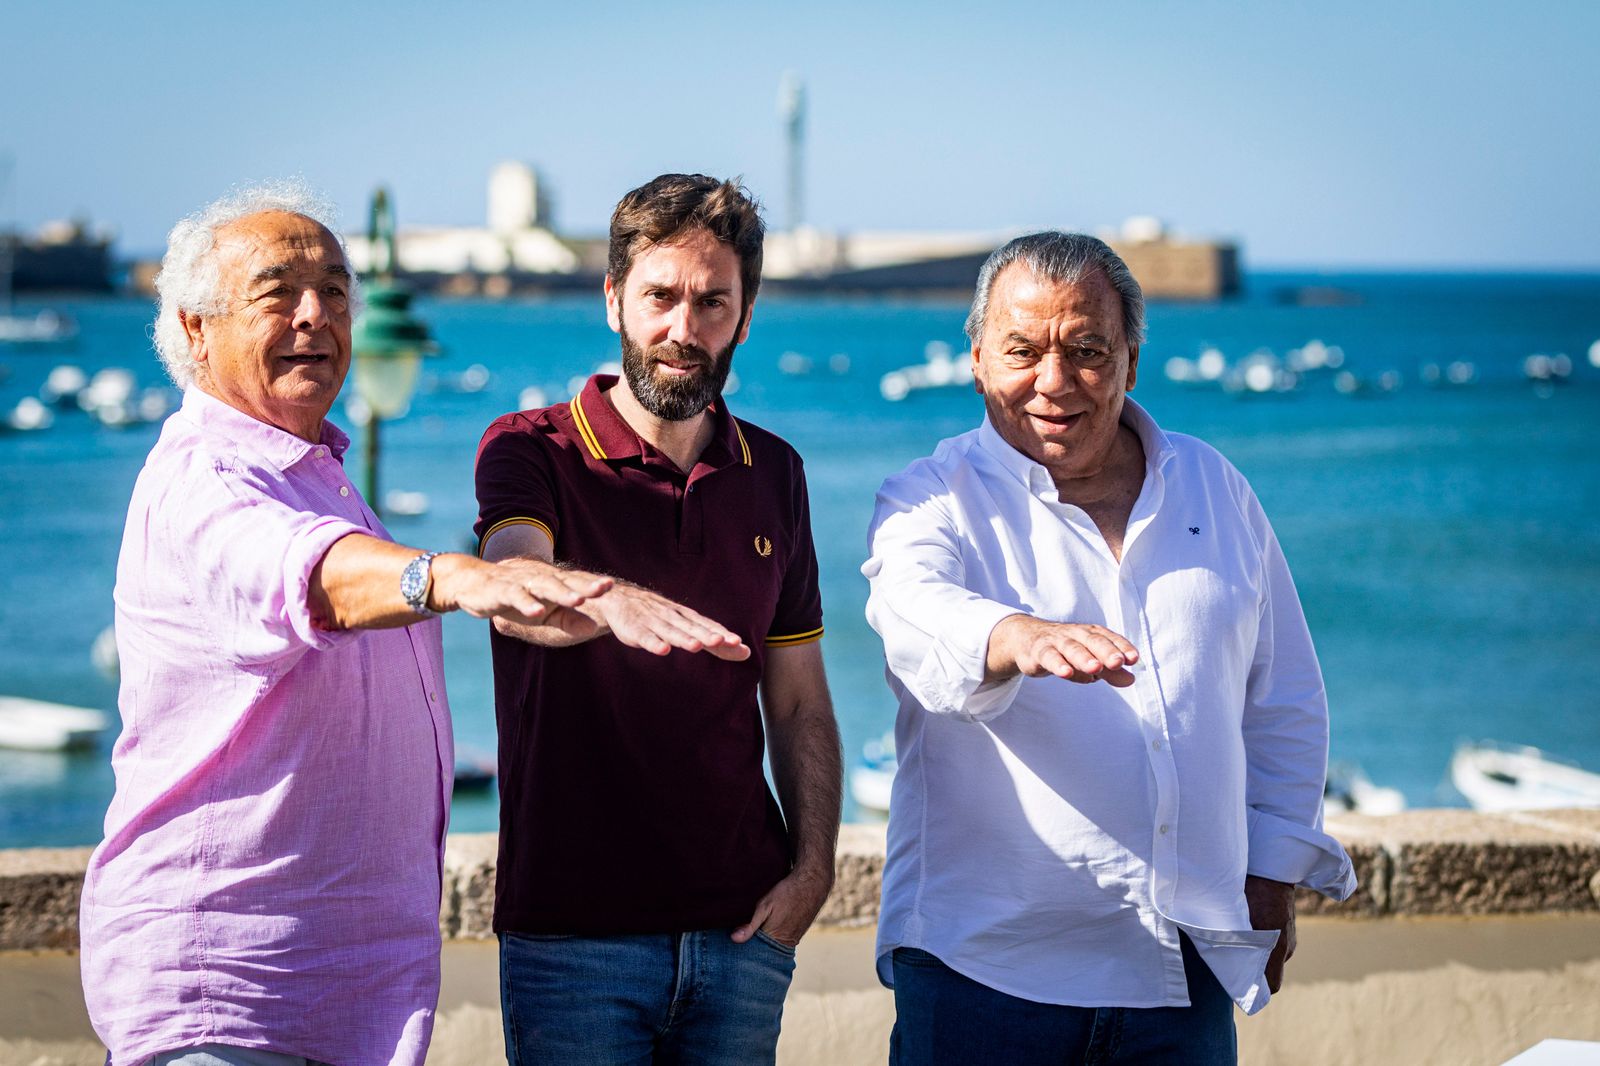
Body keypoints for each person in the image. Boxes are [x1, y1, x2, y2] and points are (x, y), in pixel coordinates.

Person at [79, 182, 612, 1066]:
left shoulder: (311, 473)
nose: (316, 314)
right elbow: (308, 574)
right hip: (229, 1000)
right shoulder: (205, 479)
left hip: (333, 1004)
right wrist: (455, 576)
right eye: (278, 292)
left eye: (334, 289)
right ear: (196, 329)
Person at [862, 232, 1357, 1064]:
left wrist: (1272, 878)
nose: (1054, 382)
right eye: (1022, 350)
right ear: (977, 359)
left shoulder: (1215, 488)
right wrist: (1015, 635)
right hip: (983, 974)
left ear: (1131, 361)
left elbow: (1282, 700)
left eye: (1088, 351)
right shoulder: (930, 498)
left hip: (1185, 975)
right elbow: (912, 611)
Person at [474, 173, 843, 1065]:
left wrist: (813, 873)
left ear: (744, 317)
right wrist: (611, 601)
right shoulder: (530, 448)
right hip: (574, 941)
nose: (684, 328)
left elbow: (798, 700)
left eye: (713, 303)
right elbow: (512, 588)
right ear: (614, 300)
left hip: (744, 937)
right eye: (660, 297)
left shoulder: (776, 473)